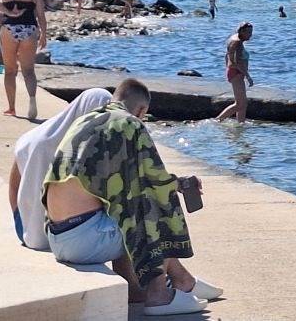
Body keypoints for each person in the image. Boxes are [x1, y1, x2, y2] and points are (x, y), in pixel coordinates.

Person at [43, 79, 218, 315]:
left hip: (58, 237)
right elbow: (156, 180)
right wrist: (181, 184)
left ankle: (180, 281)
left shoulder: (87, 120)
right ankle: (159, 295)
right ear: (142, 110)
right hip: (86, 240)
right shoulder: (130, 123)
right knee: (156, 206)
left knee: (132, 202)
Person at [11, 88, 113, 250]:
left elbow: (14, 184)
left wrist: (20, 216)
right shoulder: (81, 149)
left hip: (24, 227)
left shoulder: (32, 137)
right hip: (62, 235)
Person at [0, 0, 47, 119]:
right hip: (30, 28)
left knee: (10, 70)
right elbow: (41, 15)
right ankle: (32, 100)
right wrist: (44, 34)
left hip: (10, 28)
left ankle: (11, 108)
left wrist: (8, 12)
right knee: (28, 70)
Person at [216, 22, 254, 124]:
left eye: (251, 32)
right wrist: (248, 76)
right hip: (236, 73)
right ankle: (218, 120)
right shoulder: (237, 43)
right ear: (242, 32)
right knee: (239, 104)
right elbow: (236, 63)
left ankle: (241, 123)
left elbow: (227, 56)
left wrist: (228, 68)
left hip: (235, 73)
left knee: (243, 103)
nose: (251, 35)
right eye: (249, 32)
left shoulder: (233, 38)